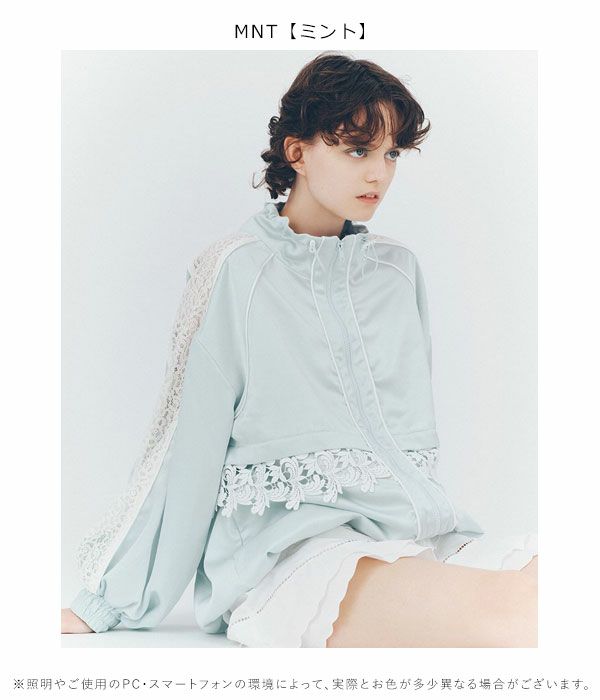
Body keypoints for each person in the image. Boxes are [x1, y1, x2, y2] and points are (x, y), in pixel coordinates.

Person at [62, 51, 538, 647]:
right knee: (513, 617)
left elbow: (407, 434)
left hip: (414, 536)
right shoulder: (236, 272)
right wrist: (110, 602)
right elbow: (182, 447)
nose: (379, 174)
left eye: (391, 153)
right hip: (290, 558)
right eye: (357, 150)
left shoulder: (396, 273)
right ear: (298, 152)